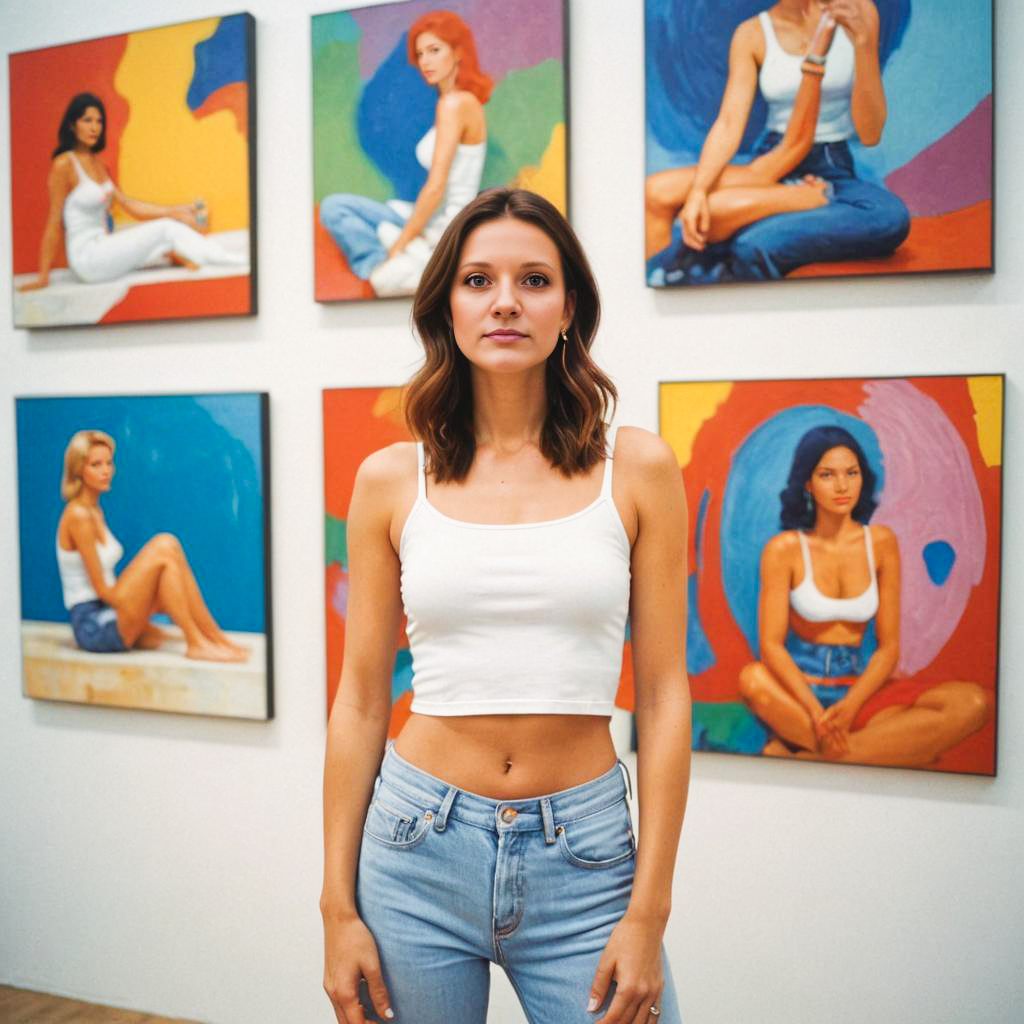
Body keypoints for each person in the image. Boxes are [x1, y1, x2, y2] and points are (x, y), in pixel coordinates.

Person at [321, 188, 690, 1024]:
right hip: (414, 849)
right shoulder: (388, 479)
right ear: (446, 304)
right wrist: (335, 906)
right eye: (479, 280)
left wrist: (648, 912)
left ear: (569, 309)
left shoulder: (636, 470)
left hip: (587, 857)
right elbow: (358, 700)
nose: (505, 302)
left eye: (534, 280)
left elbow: (666, 699)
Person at [738, 425, 989, 765]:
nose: (842, 486)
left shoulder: (881, 543)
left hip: (861, 692)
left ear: (862, 478)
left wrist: (849, 707)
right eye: (827, 475)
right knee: (751, 680)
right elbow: (771, 646)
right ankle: (869, 751)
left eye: (851, 473)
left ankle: (823, 753)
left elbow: (888, 648)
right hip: (800, 695)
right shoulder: (784, 550)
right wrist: (815, 711)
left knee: (972, 703)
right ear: (808, 484)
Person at [645, 0, 910, 283]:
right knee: (657, 193)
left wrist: (864, 43)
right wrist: (699, 189)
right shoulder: (752, 33)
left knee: (889, 217)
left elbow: (870, 134)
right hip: (774, 158)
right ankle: (660, 276)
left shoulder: (858, 11)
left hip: (831, 165)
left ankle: (812, 201)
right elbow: (729, 123)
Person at [319, 9, 489, 298]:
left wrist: (399, 245)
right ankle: (395, 252)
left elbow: (436, 187)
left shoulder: (454, 105)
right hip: (423, 217)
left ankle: (399, 255)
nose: (425, 61)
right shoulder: (449, 102)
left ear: (458, 52)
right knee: (336, 207)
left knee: (383, 280)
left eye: (435, 50)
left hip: (448, 227)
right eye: (421, 53)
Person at [18, 92, 245, 292]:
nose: (94, 127)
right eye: (87, 120)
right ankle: (231, 260)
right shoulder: (64, 165)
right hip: (87, 257)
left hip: (103, 247)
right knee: (166, 229)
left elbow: (129, 205)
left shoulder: (98, 164)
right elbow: (53, 221)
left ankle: (203, 257)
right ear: (72, 124)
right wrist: (43, 277)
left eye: (99, 121)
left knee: (163, 229)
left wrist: (176, 211)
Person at [56, 429, 247, 663]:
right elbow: (102, 591)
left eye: (109, 463)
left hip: (110, 611)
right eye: (96, 465)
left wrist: (160, 596)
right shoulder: (78, 515)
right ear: (78, 469)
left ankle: (215, 638)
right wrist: (148, 599)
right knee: (165, 545)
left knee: (168, 568)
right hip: (94, 624)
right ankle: (198, 642)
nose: (106, 471)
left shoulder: (95, 510)